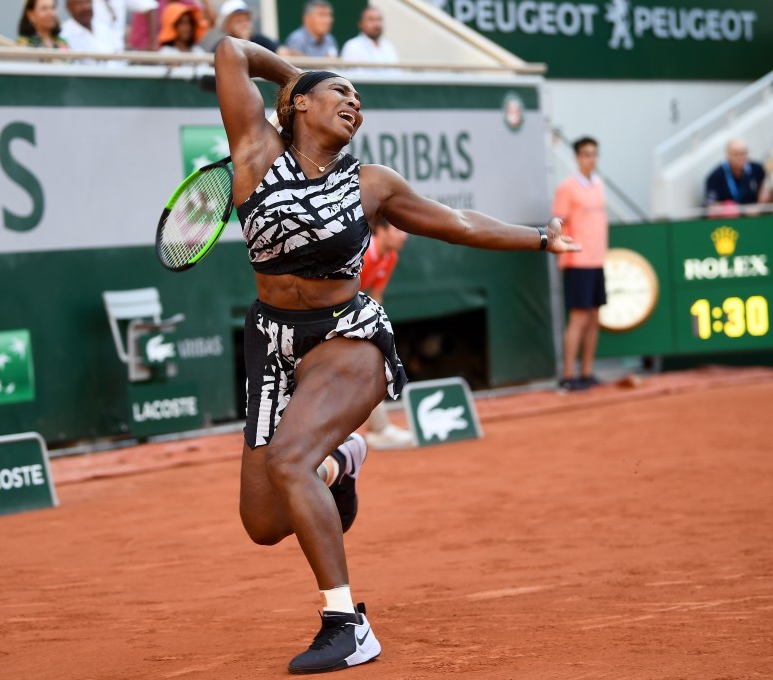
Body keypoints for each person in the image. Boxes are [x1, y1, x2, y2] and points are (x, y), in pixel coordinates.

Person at [212, 36, 577, 673]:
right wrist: (302, 77)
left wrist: (540, 238)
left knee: (289, 460)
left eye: (360, 98)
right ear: (298, 105)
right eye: (340, 93)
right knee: (263, 522)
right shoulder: (254, 150)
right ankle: (341, 465)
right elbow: (230, 52)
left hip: (347, 337)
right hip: (270, 342)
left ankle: (347, 624)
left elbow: (459, 223)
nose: (354, 102)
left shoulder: (372, 184)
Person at [552, 137, 609, 392]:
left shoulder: (599, 185)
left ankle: (587, 372)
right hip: (577, 261)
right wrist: (561, 257)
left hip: (597, 261)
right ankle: (567, 375)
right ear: (577, 157)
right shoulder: (566, 188)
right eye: (586, 154)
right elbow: (558, 224)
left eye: (594, 154)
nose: (591, 159)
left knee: (594, 317)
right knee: (578, 318)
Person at [359, 218, 415, 449]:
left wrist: (376, 330)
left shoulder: (390, 257)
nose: (404, 236)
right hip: (325, 316)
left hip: (353, 314)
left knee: (370, 364)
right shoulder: (360, 254)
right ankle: (379, 429)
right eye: (398, 230)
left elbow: (376, 296)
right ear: (380, 231)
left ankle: (378, 429)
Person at [704, 138, 765, 218]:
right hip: (729, 222)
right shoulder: (715, 176)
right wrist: (729, 208)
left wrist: (759, 207)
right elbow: (711, 206)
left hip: (754, 218)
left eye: (743, 153)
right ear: (727, 155)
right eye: (736, 154)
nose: (741, 157)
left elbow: (764, 193)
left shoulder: (757, 169)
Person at [128, 0, 213, 51]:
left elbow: (210, 21)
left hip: (174, 55)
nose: (187, 27)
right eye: (181, 23)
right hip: (144, 56)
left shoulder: (186, 2)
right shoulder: (148, 4)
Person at [202, 0, 280, 53]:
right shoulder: (221, 47)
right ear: (227, 27)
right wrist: (244, 41)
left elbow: (283, 53)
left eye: (246, 19)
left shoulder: (261, 41)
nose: (245, 24)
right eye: (238, 21)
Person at [339, 6, 400, 73]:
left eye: (379, 19)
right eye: (371, 20)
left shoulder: (388, 46)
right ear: (360, 24)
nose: (376, 24)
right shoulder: (352, 46)